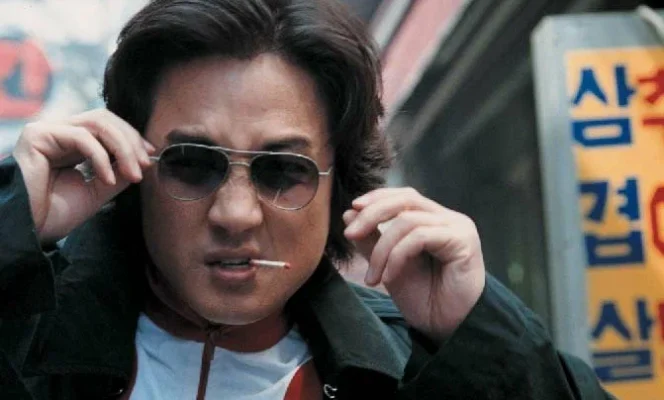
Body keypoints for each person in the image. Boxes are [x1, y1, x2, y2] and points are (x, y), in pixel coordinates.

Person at [0, 0, 614, 399]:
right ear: (127, 166)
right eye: (192, 164)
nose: (236, 215)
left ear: (339, 186)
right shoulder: (27, 334)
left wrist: (481, 336)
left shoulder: (405, 367)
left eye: (282, 172)